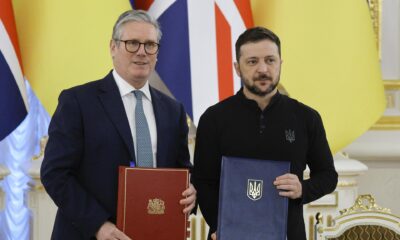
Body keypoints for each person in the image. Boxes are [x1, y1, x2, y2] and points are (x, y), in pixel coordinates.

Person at [41, 10, 196, 240]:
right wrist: (98, 225)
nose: (142, 52)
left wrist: (192, 192)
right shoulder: (78, 101)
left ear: (157, 53)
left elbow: (181, 170)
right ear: (113, 47)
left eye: (150, 45)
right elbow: (55, 174)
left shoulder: (173, 110)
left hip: (154, 233)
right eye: (132, 43)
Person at [193, 26, 338, 240]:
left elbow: (328, 175)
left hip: (288, 234)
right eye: (252, 61)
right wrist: (218, 226)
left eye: (270, 60)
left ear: (281, 64)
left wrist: (302, 189)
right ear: (237, 68)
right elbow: (204, 181)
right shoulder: (213, 118)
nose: (263, 69)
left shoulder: (307, 118)